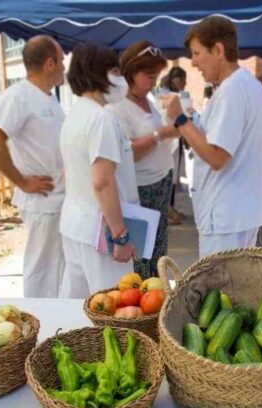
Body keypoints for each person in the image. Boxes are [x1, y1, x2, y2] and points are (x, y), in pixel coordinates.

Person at [161, 16, 262, 257]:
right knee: (236, 278)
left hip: (226, 215)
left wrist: (180, 118)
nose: (194, 62)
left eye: (197, 53)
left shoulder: (232, 91)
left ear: (218, 50)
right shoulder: (249, 85)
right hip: (239, 211)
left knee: (218, 281)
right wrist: (191, 124)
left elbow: (217, 157)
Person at [0, 35, 66, 298]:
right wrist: (22, 181)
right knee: (42, 268)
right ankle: (37, 315)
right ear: (50, 63)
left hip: (58, 197)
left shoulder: (49, 98)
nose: (64, 66)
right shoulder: (18, 96)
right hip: (41, 198)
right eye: (61, 60)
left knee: (57, 268)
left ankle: (55, 316)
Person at [59, 43, 139, 298]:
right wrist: (121, 236)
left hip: (75, 224)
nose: (121, 79)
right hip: (100, 232)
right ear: (98, 73)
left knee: (75, 303)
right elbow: (102, 181)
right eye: (115, 71)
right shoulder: (101, 118)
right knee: (112, 305)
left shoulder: (75, 115)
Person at [108, 41, 180, 279]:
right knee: (141, 254)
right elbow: (128, 152)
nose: (153, 82)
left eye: (156, 76)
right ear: (131, 71)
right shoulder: (118, 107)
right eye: (149, 76)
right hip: (141, 190)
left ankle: (158, 289)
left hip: (160, 183)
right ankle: (145, 294)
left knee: (158, 248)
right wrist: (161, 134)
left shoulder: (147, 101)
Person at [158, 66, 189, 225]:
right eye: (183, 80)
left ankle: (171, 207)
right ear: (176, 80)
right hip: (169, 139)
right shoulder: (165, 95)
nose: (184, 84)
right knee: (169, 175)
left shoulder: (178, 95)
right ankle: (167, 210)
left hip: (177, 137)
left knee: (174, 176)